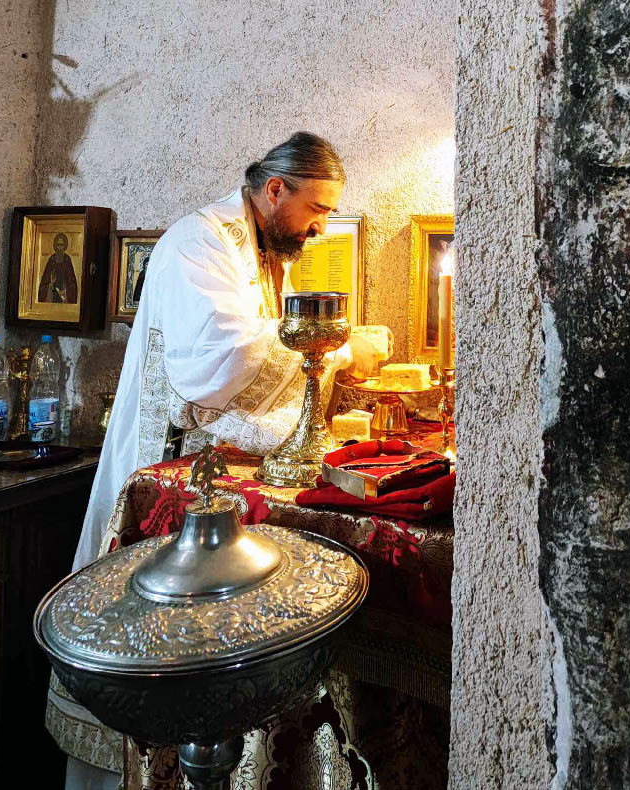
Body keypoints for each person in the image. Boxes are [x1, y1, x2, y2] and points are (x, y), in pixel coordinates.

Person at [51, 132, 384, 790]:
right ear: (275, 190)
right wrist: (339, 350)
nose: (321, 227)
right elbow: (221, 363)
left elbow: (268, 348)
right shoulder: (200, 242)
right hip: (167, 467)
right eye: (317, 209)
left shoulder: (265, 250)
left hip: (210, 475)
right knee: (159, 645)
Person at [37, 232, 78, 303]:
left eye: (62, 245)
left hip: (64, 295)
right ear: (55, 245)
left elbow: (72, 281)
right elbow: (44, 281)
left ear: (65, 246)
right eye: (58, 245)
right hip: (52, 293)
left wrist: (65, 290)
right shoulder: (52, 260)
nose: (60, 247)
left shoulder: (67, 260)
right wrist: (50, 285)